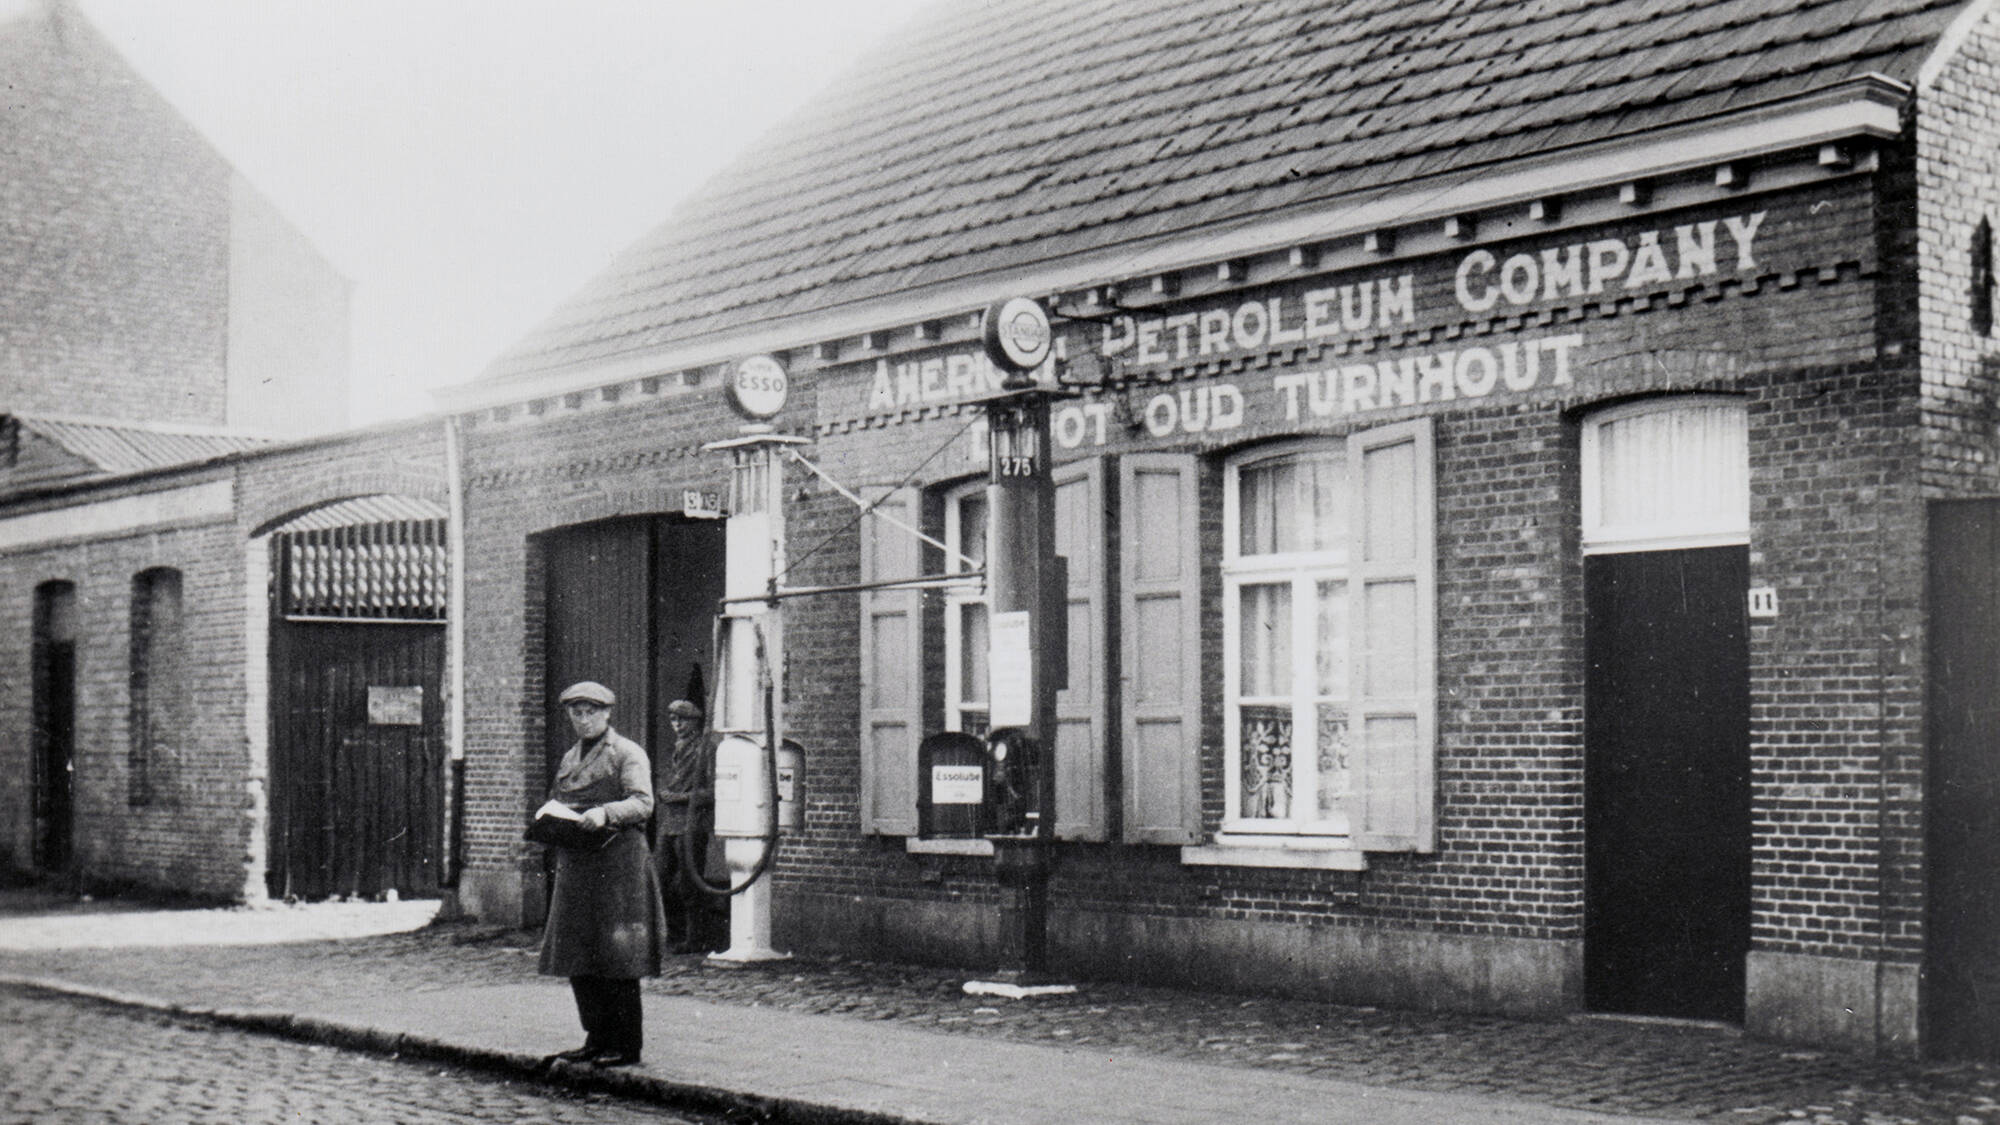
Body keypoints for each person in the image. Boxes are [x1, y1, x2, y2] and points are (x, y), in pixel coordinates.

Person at [538, 681, 668, 1068]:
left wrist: (606, 812)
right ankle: (596, 1037)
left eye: (590, 711)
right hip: (578, 865)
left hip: (618, 866)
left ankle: (626, 1045)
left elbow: (643, 802)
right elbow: (561, 799)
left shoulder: (627, 753)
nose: (583, 719)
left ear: (607, 713)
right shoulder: (569, 758)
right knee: (579, 951)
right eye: (576, 712)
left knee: (618, 953)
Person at [654, 698, 725, 954]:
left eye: (682, 720)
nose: (677, 725)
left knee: (689, 882)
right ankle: (672, 931)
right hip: (670, 822)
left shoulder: (706, 749)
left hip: (692, 823)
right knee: (659, 877)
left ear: (695, 722)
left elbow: (713, 792)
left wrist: (682, 798)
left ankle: (696, 937)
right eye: (673, 720)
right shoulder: (678, 747)